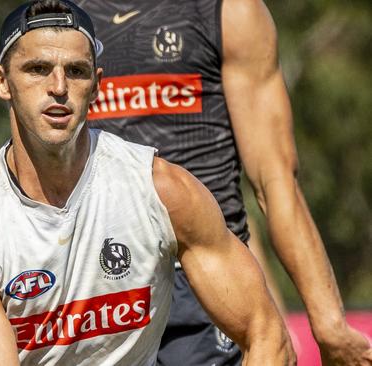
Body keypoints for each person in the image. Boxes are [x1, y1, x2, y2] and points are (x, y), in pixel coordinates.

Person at [0, 1, 293, 365]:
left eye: (77, 71)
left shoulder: (163, 191)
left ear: (97, 84)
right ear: (2, 82)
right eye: (37, 69)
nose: (58, 87)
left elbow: (267, 336)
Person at [73, 0, 372, 364]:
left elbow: (274, 179)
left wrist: (328, 323)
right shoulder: (62, 19)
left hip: (207, 283)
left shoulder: (229, 11)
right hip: (98, 286)